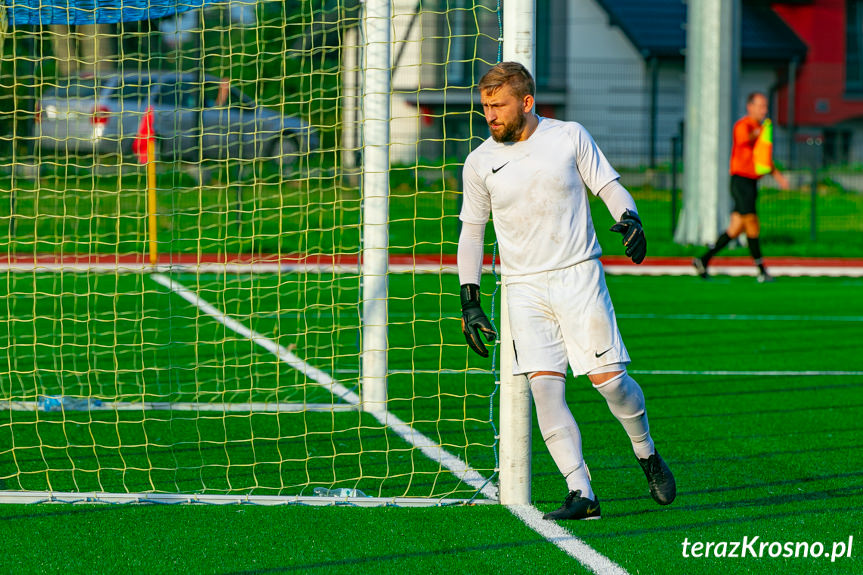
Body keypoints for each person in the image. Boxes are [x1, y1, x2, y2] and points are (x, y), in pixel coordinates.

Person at [457, 61, 676, 520]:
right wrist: (469, 299)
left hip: (578, 275)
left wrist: (630, 218)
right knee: (545, 391)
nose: (490, 115)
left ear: (527, 102)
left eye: (498, 106)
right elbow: (473, 233)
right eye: (485, 107)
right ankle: (582, 493)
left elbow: (609, 187)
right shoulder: (478, 163)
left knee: (611, 384)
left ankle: (647, 452)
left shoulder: (569, 136)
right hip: (522, 288)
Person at [693, 92, 789, 282]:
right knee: (752, 224)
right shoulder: (744, 126)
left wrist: (778, 176)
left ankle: (702, 260)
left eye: (765, 106)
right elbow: (746, 140)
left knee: (735, 229)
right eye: (761, 106)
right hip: (740, 181)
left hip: (751, 182)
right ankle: (761, 270)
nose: (764, 110)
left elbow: (763, 158)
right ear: (750, 107)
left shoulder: (760, 129)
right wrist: (762, 132)